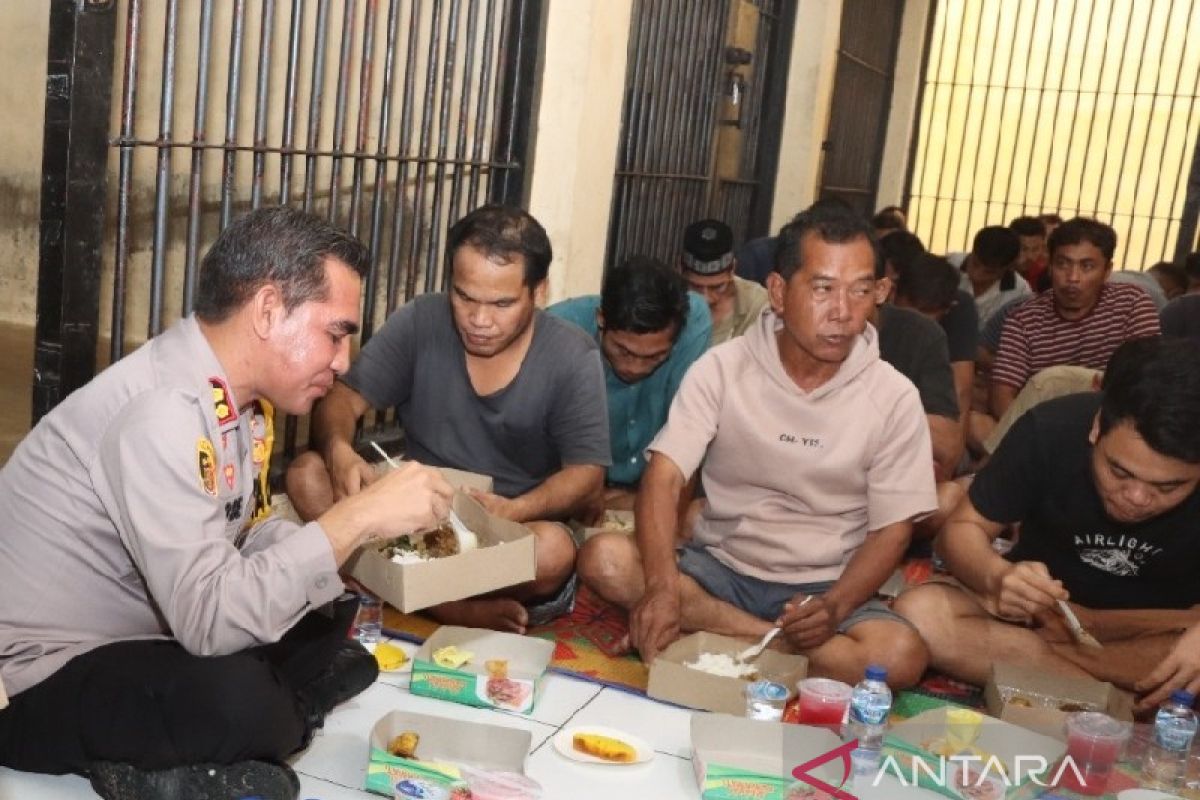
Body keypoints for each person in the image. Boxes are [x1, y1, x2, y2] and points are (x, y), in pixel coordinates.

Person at [0, 207, 455, 800]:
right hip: (38, 676)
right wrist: (355, 519)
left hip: (147, 628)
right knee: (237, 699)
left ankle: (256, 721)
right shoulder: (162, 415)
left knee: (327, 608)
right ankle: (276, 715)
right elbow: (210, 622)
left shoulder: (234, 403)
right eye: (336, 332)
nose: (344, 361)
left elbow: (241, 540)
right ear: (268, 310)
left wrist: (340, 538)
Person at [577, 201, 936, 688]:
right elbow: (665, 475)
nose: (843, 312)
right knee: (607, 559)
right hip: (719, 568)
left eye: (861, 290)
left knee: (899, 656)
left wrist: (834, 607)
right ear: (779, 292)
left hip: (824, 585)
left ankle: (727, 633)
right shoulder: (723, 368)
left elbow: (893, 530)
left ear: (882, 293)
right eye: (823, 289)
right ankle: (776, 645)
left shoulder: (894, 396)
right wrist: (662, 588)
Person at [287, 204, 610, 635]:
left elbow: (587, 473)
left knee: (551, 551)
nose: (479, 320)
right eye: (465, 297)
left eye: (501, 304)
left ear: (540, 291)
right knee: (307, 473)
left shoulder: (572, 355)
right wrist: (340, 451)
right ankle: (446, 605)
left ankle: (394, 589)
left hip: (499, 529)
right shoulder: (423, 320)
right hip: (413, 514)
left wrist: (517, 509)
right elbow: (342, 400)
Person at [895, 337, 1200, 711]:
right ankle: (1125, 704)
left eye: (1168, 487)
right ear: (1096, 428)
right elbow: (961, 530)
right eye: (1119, 471)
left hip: (1150, 632)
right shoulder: (1051, 429)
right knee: (923, 614)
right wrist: (996, 576)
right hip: (1043, 619)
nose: (1136, 497)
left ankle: (1085, 689)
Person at [549, 256, 710, 507]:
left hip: (657, 484)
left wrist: (646, 501)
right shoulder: (559, 331)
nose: (634, 368)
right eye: (624, 351)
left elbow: (688, 430)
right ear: (601, 319)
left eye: (656, 357)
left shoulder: (694, 321)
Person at [990, 217, 1160, 420]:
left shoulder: (1132, 303)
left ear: (1107, 271)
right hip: (1041, 422)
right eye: (1063, 264)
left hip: (1111, 420)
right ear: (1050, 266)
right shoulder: (1023, 318)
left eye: (1087, 266)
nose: (1073, 277)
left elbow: (1148, 378)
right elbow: (1002, 395)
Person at [679, 219, 768, 346]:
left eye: (717, 287)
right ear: (679, 269)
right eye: (695, 286)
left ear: (733, 269)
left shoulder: (757, 306)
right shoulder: (664, 301)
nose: (706, 298)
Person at [950, 226, 1032, 329]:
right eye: (975, 264)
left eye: (989, 272)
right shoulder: (950, 265)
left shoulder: (1020, 291)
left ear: (1007, 268)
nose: (976, 275)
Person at [1009, 216, 1049, 290]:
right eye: (1024, 249)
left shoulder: (1044, 276)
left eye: (1035, 249)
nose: (1030, 256)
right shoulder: (995, 272)